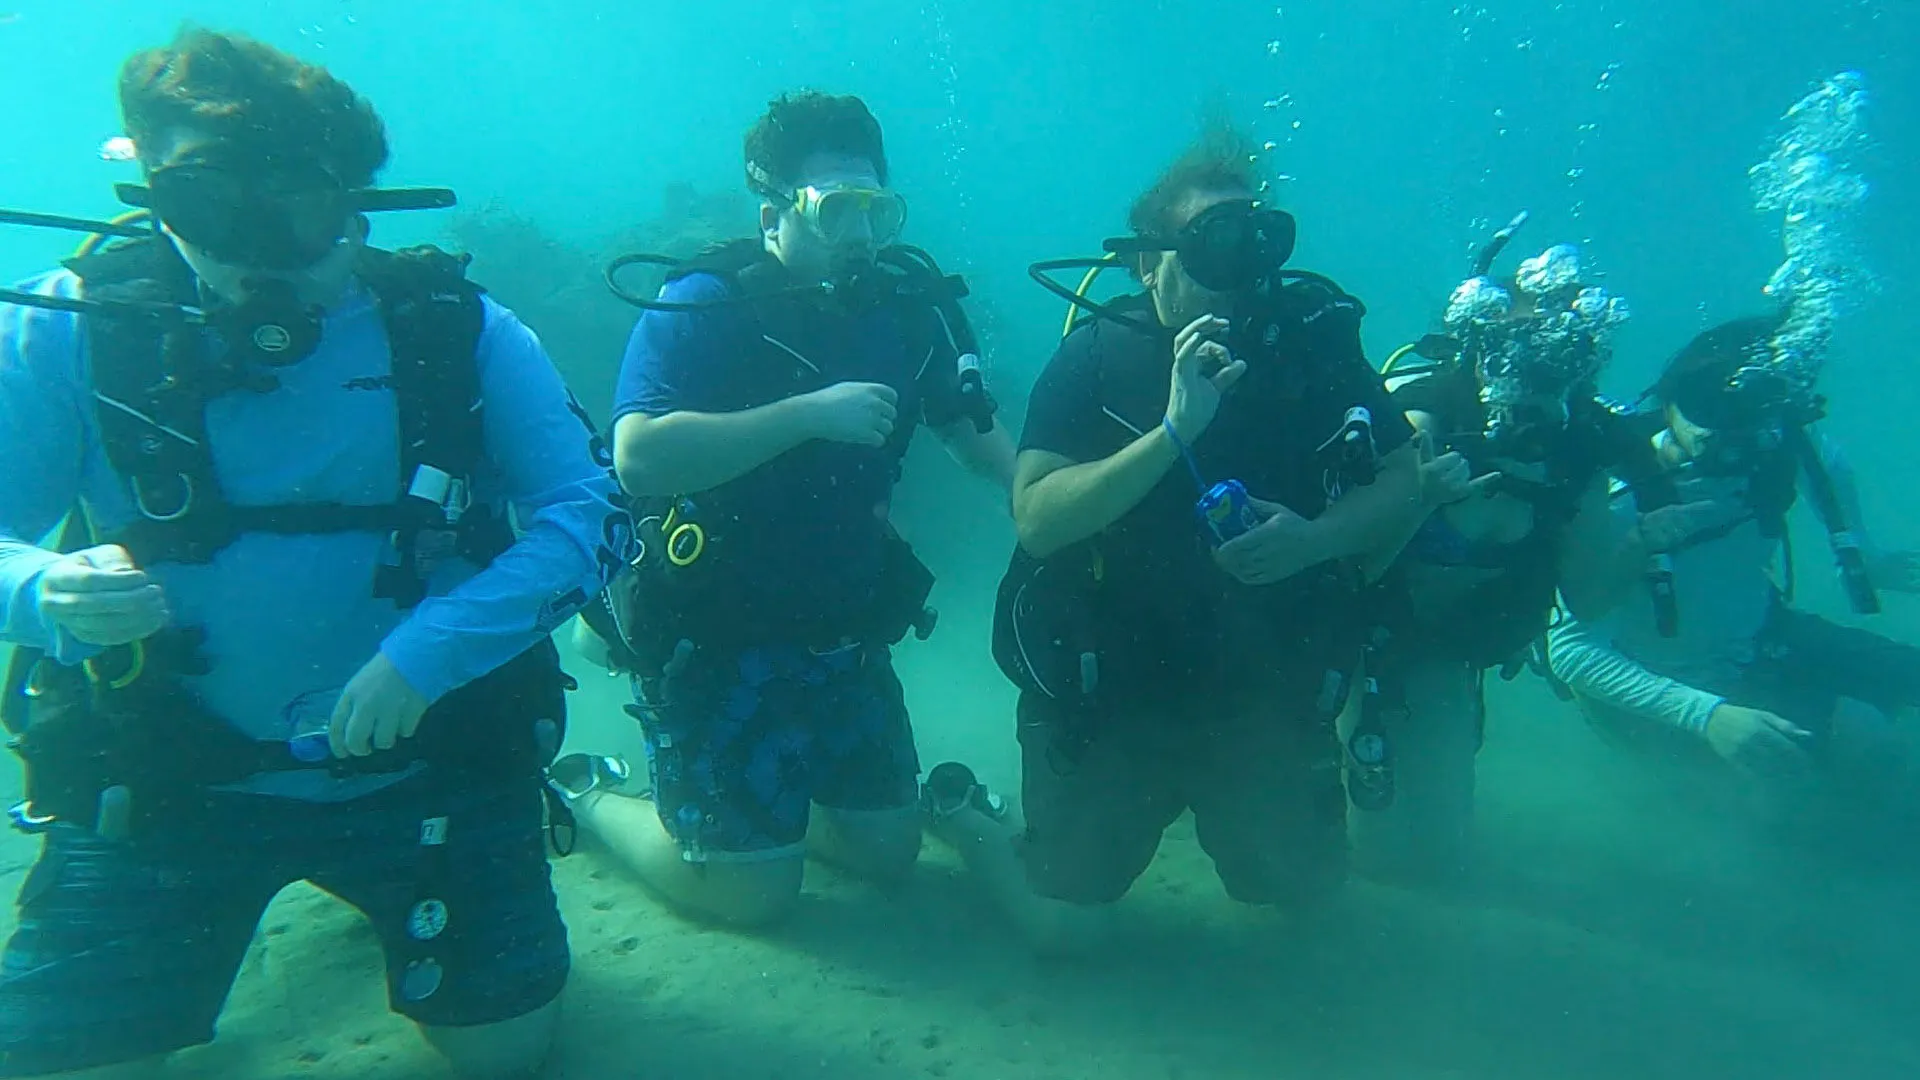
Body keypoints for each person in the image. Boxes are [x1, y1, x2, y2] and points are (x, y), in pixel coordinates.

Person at [0, 29, 629, 1080]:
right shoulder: (63, 329)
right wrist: (38, 588)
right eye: (210, 209)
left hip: (429, 759)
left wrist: (429, 653)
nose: (257, 258)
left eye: (294, 211)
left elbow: (594, 514)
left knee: (505, 1054)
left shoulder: (450, 325)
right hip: (160, 775)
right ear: (150, 191)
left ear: (353, 198)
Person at [923, 128, 1477, 954]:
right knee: (1067, 925)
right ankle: (965, 816)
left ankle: (1203, 805)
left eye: (1254, 244)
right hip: (1111, 682)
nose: (1242, 273)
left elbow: (1401, 479)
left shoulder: (1313, 343)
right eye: (1208, 247)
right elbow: (1036, 517)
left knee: (1304, 896)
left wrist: (1316, 540)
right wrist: (1176, 430)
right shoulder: (1099, 357)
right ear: (1148, 265)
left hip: (1259, 679)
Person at [549, 91, 1016, 929]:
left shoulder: (908, 309)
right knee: (751, 897)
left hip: (841, 627)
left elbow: (971, 435)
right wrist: (809, 414)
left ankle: (769, 811)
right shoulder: (706, 299)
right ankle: (595, 795)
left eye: (877, 208)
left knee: (888, 853)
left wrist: (1050, 498)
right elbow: (640, 456)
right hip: (717, 631)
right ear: (774, 214)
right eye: (836, 209)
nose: (863, 233)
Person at [1545, 316, 1920, 833]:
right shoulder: (1612, 490)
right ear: (1667, 401)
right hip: (1658, 687)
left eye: (1743, 413)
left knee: (1882, 733)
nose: (1718, 432)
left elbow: (1828, 463)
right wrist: (1706, 715)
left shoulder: (1782, 451)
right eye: (1703, 406)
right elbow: (1569, 650)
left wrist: (1866, 556)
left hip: (1760, 637)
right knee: (1797, 792)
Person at [1351, 226, 1642, 885]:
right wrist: (1418, 499)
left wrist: (1645, 544)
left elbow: (1590, 597)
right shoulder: (1420, 420)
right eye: (1512, 345)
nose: (1528, 377)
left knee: (1442, 847)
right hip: (1366, 640)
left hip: (1457, 652)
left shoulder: (1577, 454)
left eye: (1552, 360)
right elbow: (1351, 568)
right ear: (1478, 345)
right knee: (1370, 848)